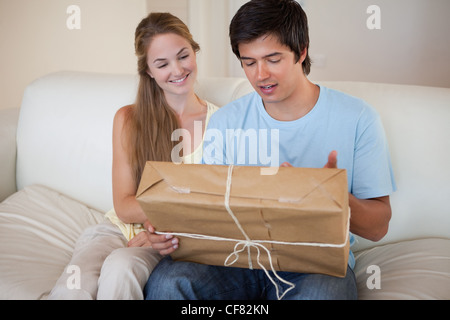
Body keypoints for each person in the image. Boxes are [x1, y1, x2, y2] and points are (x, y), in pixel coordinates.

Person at [144, 0, 396, 300]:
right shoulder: (226, 121)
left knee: (322, 295)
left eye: (272, 59)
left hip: (314, 265)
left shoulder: (357, 118)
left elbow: (378, 227)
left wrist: (330, 197)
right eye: (249, 62)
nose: (260, 75)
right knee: (168, 281)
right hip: (235, 260)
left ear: (301, 51)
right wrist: (169, 228)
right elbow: (206, 209)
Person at [48, 12, 218, 300]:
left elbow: (216, 206)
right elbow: (125, 206)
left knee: (120, 269)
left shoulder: (221, 122)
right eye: (162, 64)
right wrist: (182, 204)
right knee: (72, 288)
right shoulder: (128, 119)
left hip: (170, 239)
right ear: (149, 71)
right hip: (115, 230)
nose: (177, 70)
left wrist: (163, 226)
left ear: (195, 51)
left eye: (183, 56)